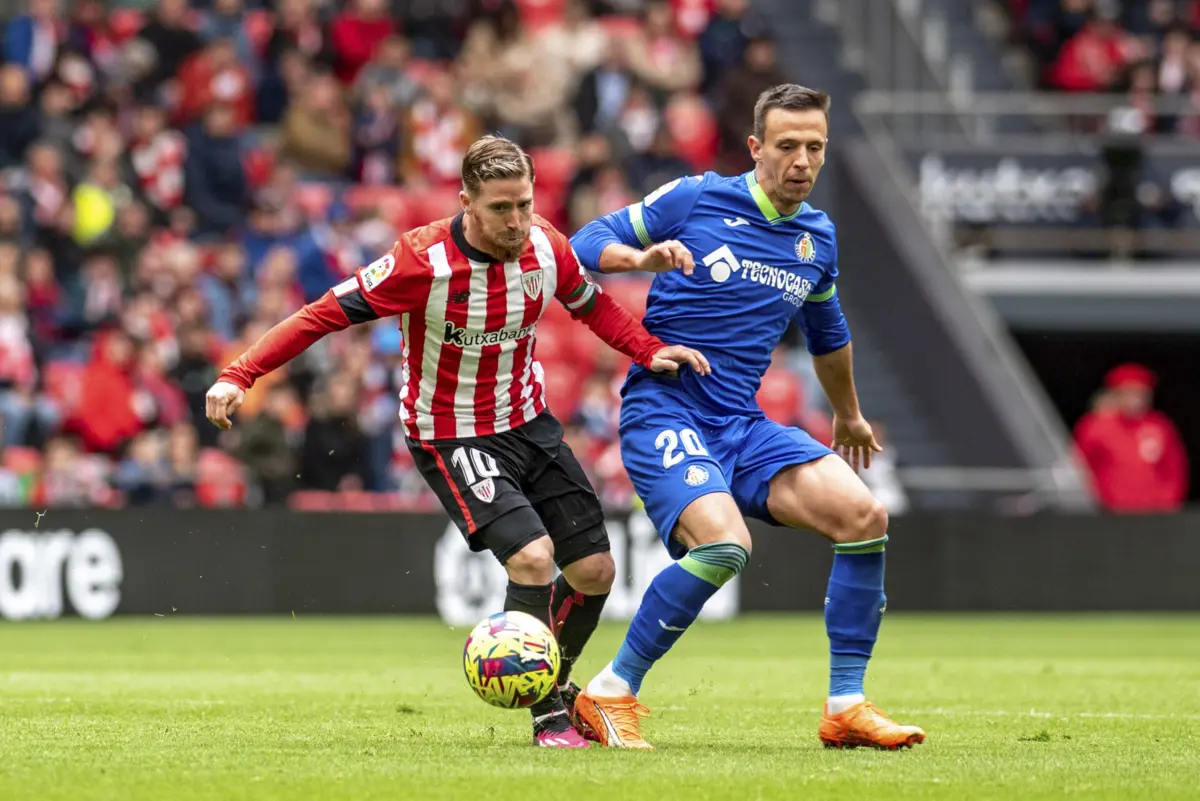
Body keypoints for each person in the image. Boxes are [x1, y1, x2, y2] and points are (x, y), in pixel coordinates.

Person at [204, 135, 710, 748]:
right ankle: (548, 717)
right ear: (465, 200)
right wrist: (240, 374)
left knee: (596, 571)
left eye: (524, 204)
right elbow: (321, 314)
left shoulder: (547, 246)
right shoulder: (421, 262)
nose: (518, 221)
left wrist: (650, 350)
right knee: (531, 558)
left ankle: (557, 686)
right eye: (501, 209)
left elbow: (591, 306)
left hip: (530, 422)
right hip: (452, 432)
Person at [567, 84, 925, 750]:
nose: (802, 160)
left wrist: (847, 414)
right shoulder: (697, 198)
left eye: (815, 147)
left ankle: (845, 703)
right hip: (666, 406)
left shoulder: (817, 237)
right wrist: (640, 259)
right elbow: (586, 242)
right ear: (756, 148)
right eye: (787, 145)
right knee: (726, 546)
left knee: (864, 516)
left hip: (743, 423)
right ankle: (609, 690)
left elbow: (828, 331)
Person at [1073, 363, 1188, 513]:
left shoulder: (1160, 425)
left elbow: (1176, 467)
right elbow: (1079, 468)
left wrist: (1170, 502)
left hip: (1155, 513)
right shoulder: (1095, 426)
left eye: (1141, 393)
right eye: (1129, 392)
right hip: (1111, 514)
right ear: (1116, 394)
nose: (1135, 399)